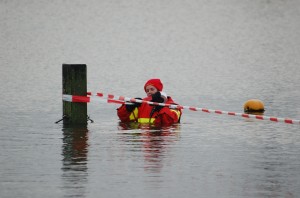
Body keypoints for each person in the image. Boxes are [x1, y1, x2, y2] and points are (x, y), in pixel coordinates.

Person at [117, 78, 182, 126]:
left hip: (161, 139)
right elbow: (124, 119)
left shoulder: (172, 105)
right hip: (145, 138)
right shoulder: (142, 104)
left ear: (159, 91)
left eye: (152, 89)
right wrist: (128, 108)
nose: (149, 92)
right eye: (147, 90)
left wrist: (161, 107)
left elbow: (169, 122)